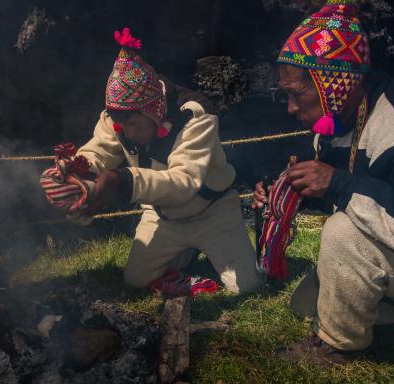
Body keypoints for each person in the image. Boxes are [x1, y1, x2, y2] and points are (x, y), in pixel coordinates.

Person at [252, 0, 394, 365]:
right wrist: (288, 193)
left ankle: (338, 347)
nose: (290, 108)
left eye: (296, 93)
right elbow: (358, 195)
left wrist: (339, 185)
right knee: (306, 301)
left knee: (343, 234)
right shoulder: (335, 126)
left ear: (337, 83)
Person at [46, 28, 265, 296]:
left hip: (212, 212)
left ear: (156, 110)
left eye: (137, 125)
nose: (130, 134)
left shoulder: (196, 118)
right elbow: (98, 152)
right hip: (163, 217)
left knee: (247, 286)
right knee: (136, 281)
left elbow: (183, 183)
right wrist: (78, 173)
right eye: (123, 126)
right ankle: (186, 253)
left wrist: (121, 181)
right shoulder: (119, 119)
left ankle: (212, 249)